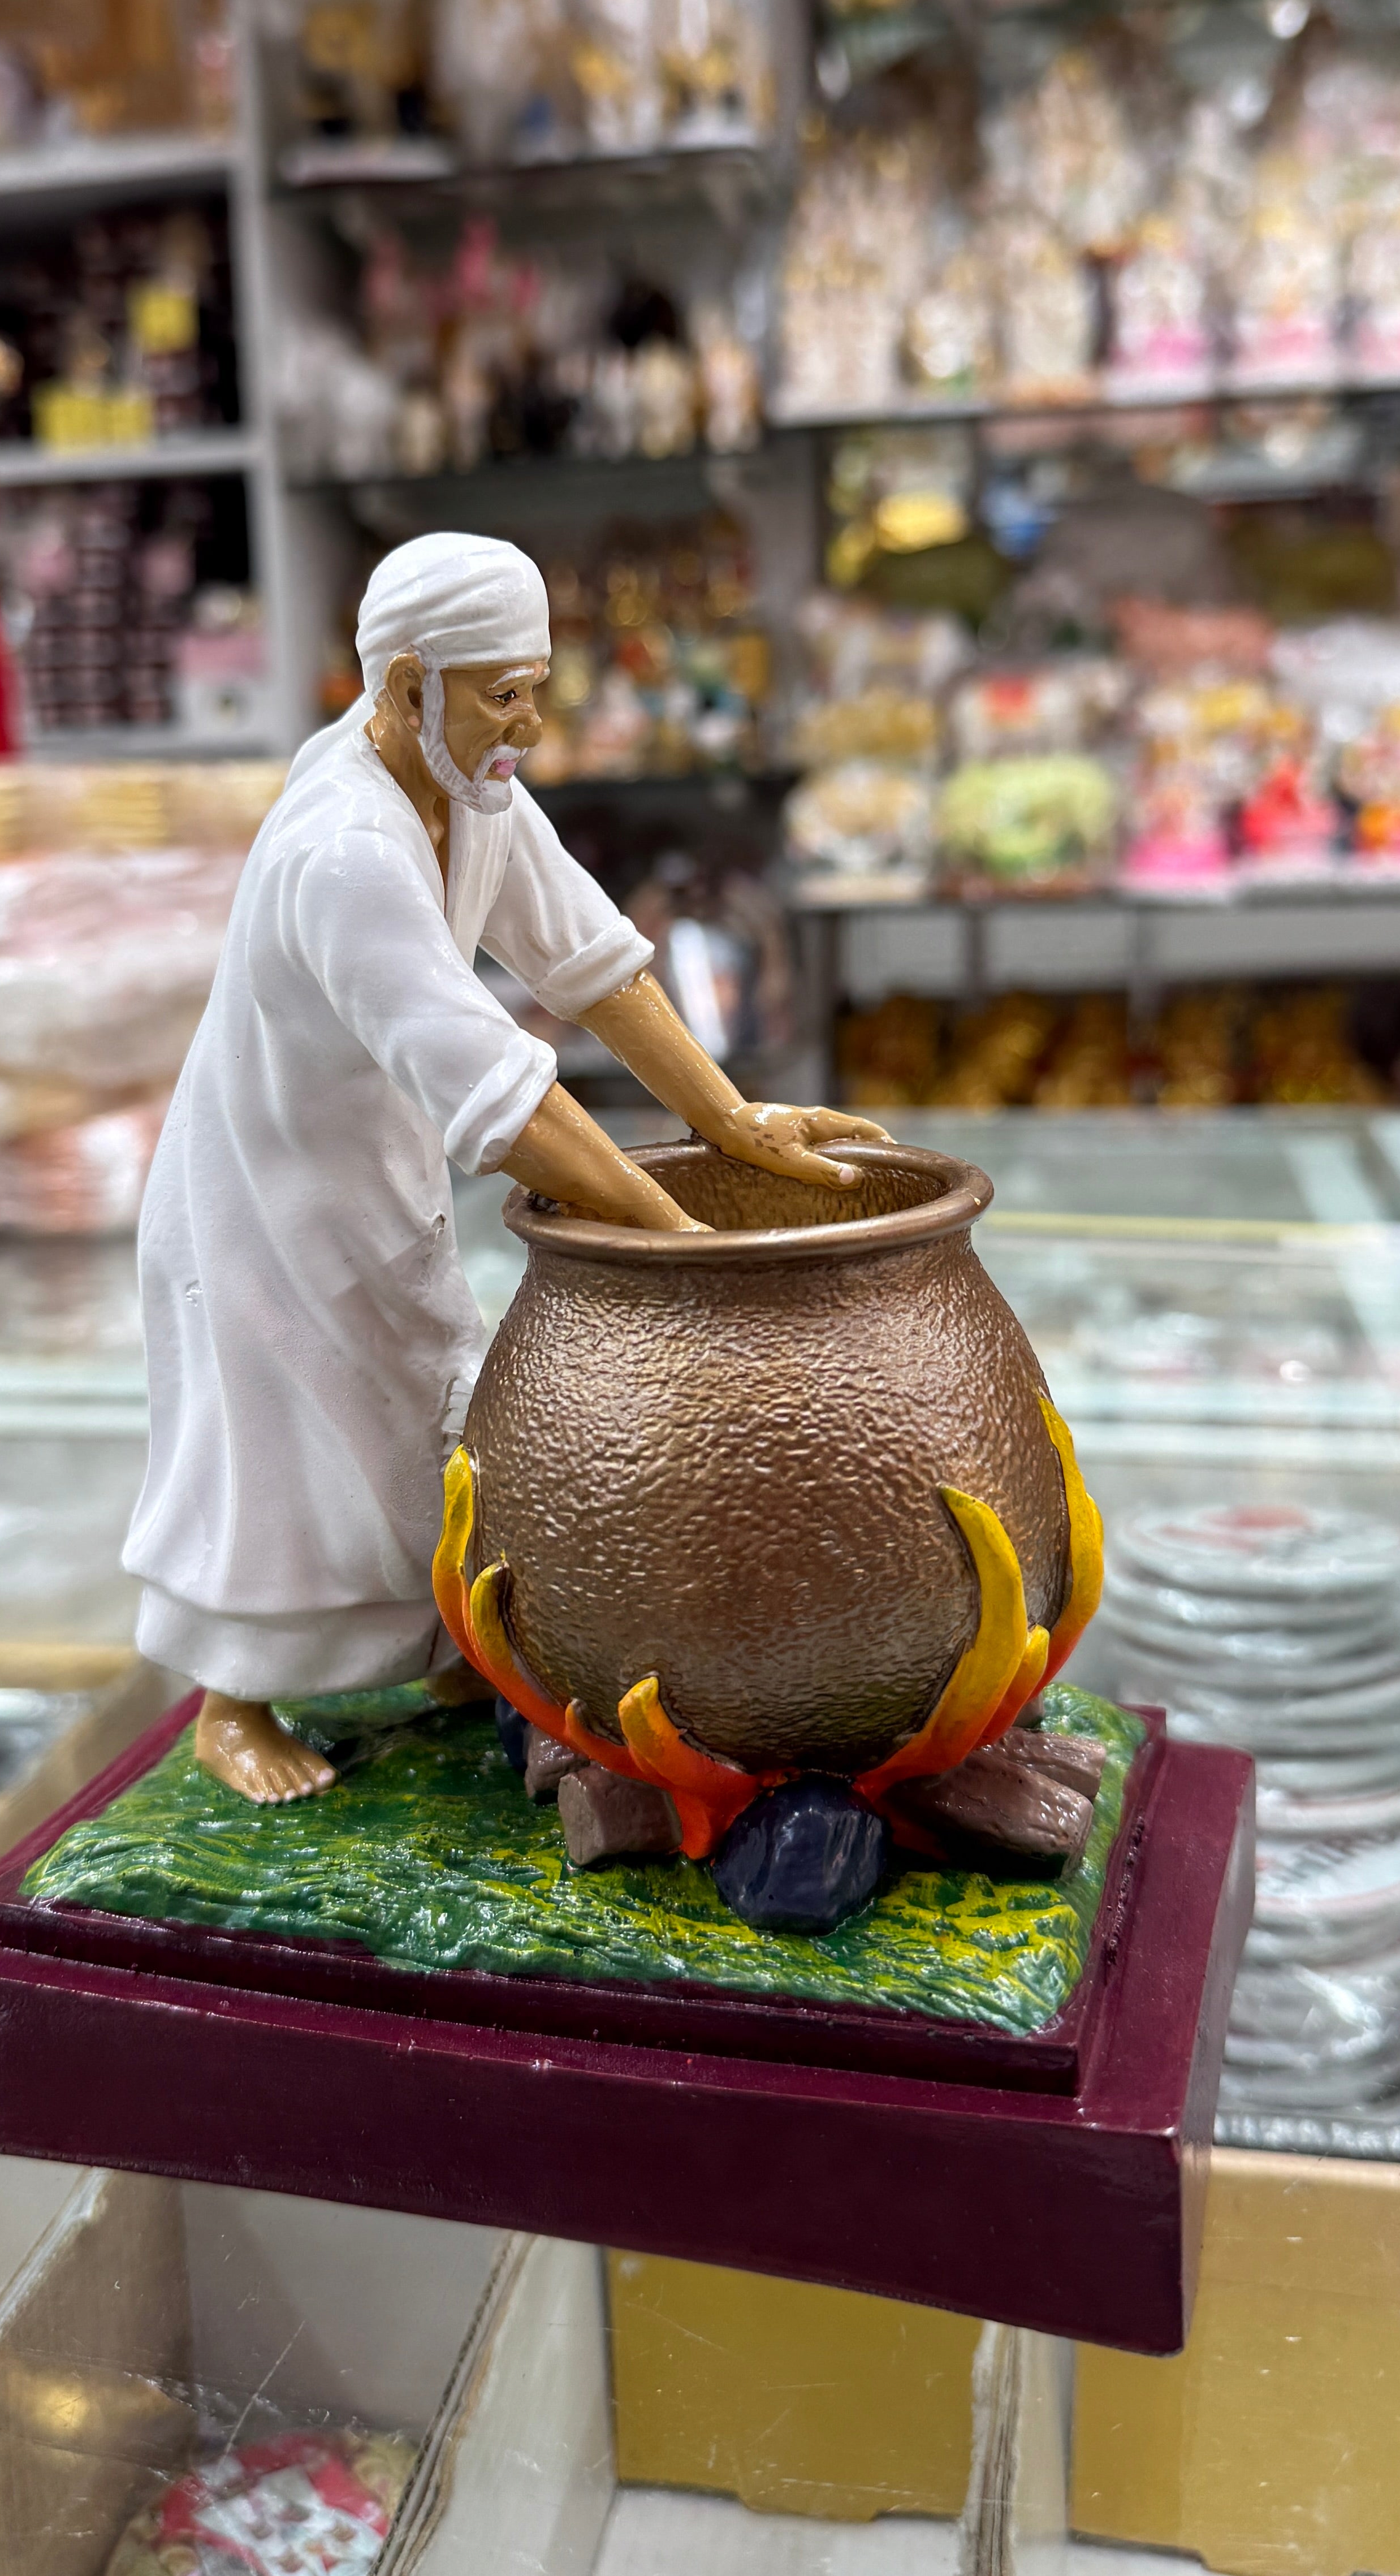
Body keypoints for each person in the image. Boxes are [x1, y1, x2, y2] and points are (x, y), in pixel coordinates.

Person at [125, 530, 888, 1803]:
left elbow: (591, 964)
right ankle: (232, 1706)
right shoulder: (347, 849)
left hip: (374, 1177)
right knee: (279, 1456)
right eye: (502, 692)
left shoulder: (472, 788)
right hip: (259, 1202)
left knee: (427, 1414)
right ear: (405, 685)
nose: (527, 720)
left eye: (536, 686)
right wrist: (678, 1243)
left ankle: (443, 1653)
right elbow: (501, 1091)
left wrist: (729, 1121)